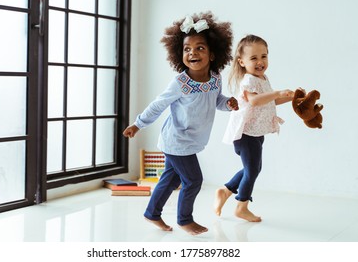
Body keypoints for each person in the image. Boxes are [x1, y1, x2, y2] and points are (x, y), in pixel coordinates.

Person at [123, 12, 238, 235]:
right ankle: (185, 219)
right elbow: (158, 104)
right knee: (194, 180)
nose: (192, 53)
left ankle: (152, 214)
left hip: (192, 140)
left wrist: (229, 104)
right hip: (177, 140)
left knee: (170, 178)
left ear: (213, 54)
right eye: (187, 49)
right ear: (180, 54)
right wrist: (138, 124)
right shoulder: (180, 83)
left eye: (200, 48)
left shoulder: (215, 77)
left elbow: (216, 101)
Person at [214, 34, 294, 222]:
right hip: (245, 133)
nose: (260, 62)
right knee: (252, 170)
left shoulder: (263, 78)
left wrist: (290, 96)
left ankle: (224, 191)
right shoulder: (249, 80)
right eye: (254, 58)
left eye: (263, 56)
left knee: (253, 168)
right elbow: (255, 100)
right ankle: (242, 206)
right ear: (241, 62)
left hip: (256, 132)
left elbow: (270, 101)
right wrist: (277, 93)